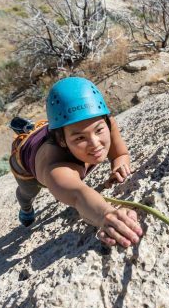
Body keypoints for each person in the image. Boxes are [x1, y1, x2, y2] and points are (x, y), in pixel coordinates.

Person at [9, 77, 143, 248]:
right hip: (24, 161)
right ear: (62, 140)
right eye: (80, 137)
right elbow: (78, 195)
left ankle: (31, 127)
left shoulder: (103, 122)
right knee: (27, 193)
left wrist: (119, 164)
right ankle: (26, 209)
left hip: (57, 128)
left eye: (99, 130)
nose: (95, 144)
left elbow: (120, 154)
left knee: (74, 128)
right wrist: (105, 215)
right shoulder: (55, 167)